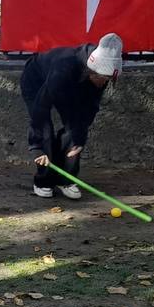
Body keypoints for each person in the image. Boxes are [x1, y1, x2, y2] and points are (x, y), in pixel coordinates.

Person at [20, 32, 122, 200]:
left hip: (73, 86)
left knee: (73, 130)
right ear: (91, 69)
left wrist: (80, 138)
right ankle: (43, 181)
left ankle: (65, 179)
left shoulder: (100, 78)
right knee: (45, 129)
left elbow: (89, 109)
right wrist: (37, 147)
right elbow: (41, 107)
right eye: (102, 77)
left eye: (108, 79)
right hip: (37, 80)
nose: (104, 82)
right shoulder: (64, 67)